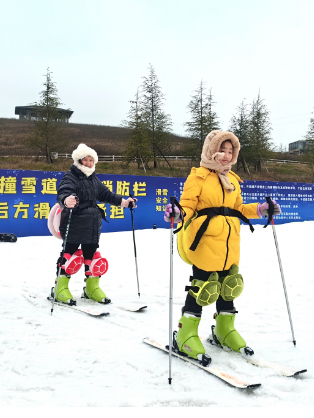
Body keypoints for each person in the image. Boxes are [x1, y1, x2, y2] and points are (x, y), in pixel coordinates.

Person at [164, 130, 280, 364]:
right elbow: (187, 205)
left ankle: (223, 331)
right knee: (203, 287)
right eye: (222, 151)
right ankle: (185, 334)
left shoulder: (233, 180)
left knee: (229, 286)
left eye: (231, 151)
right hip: (204, 241)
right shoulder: (198, 177)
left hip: (229, 243)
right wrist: (177, 213)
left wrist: (259, 209)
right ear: (210, 151)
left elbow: (237, 208)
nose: (226, 156)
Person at [52, 143, 137, 305]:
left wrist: (125, 202)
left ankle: (91, 288)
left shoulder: (93, 179)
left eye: (92, 160)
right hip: (74, 222)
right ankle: (60, 288)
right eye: (86, 160)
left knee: (92, 258)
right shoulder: (71, 176)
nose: (89, 163)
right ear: (79, 160)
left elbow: (106, 194)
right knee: (69, 257)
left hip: (92, 225)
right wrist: (66, 199)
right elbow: (63, 192)